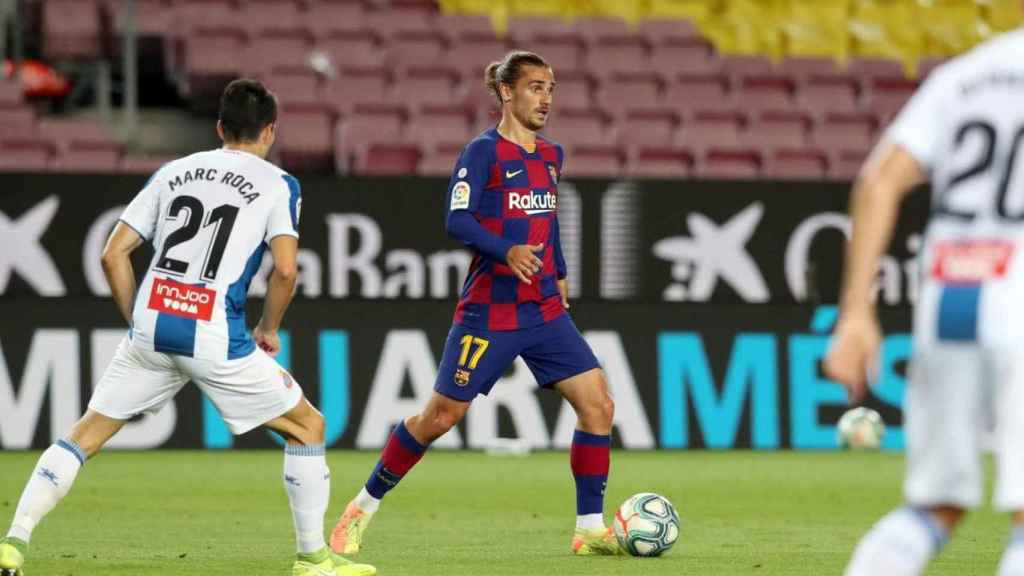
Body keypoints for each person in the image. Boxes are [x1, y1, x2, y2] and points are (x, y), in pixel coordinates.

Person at [0, 79, 375, 576]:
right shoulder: (279, 184)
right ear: (270, 132)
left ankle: (13, 543)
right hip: (214, 331)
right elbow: (285, 270)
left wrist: (139, 323)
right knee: (307, 427)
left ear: (219, 127)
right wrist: (268, 326)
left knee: (83, 436)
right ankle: (313, 559)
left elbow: (113, 254)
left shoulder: (173, 171)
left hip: (151, 327)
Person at [329, 51, 621, 557]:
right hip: (490, 313)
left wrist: (561, 272)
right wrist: (506, 250)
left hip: (544, 308)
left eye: (550, 88)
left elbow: (548, 223)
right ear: (506, 92)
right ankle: (360, 509)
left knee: (598, 405)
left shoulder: (551, 155)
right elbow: (456, 222)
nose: (545, 98)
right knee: (440, 417)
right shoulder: (482, 153)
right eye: (535, 87)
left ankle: (590, 529)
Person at [825, 27, 1024, 576]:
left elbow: (878, 182)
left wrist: (857, 313)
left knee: (935, 507)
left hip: (950, 301)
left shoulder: (964, 77)